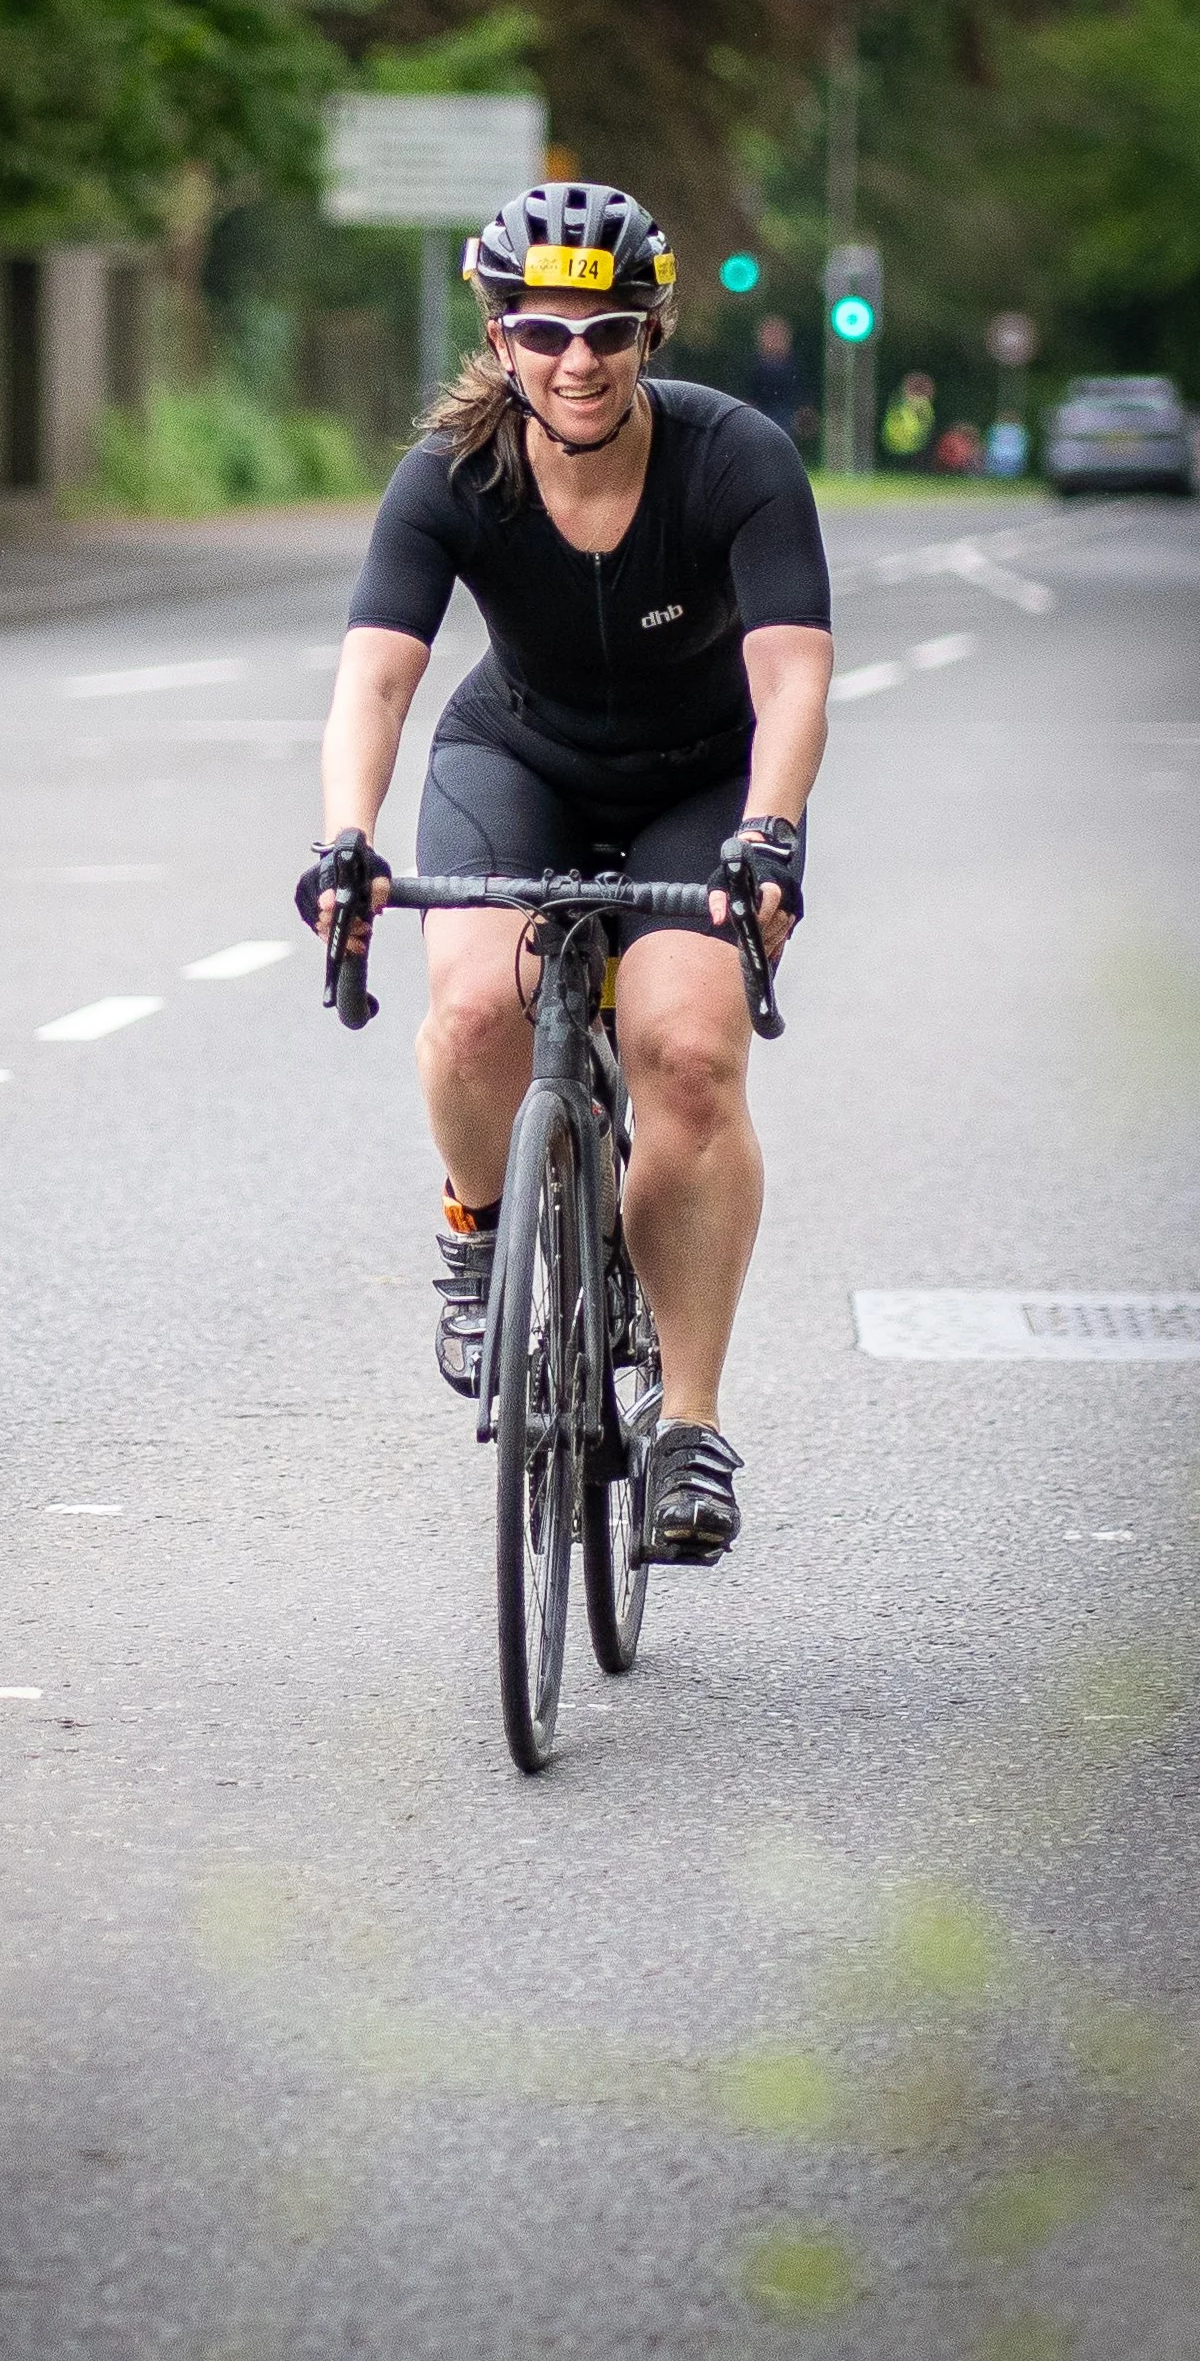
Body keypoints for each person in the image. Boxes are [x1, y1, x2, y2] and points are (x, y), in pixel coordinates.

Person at [297, 183, 832, 1564]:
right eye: (541, 332)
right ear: (496, 329)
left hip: (698, 782)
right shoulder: (452, 473)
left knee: (687, 1059)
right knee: (474, 1007)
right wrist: (346, 838)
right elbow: (377, 673)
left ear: (650, 326)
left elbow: (790, 676)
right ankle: (480, 1233)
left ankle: (689, 1432)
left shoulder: (735, 458)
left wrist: (767, 831)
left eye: (605, 329)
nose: (575, 361)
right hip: (517, 759)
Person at [742, 315, 804, 436]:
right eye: (769, 334)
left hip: (787, 423)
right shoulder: (748, 366)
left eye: (778, 334)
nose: (774, 338)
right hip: (758, 421)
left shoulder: (798, 367)